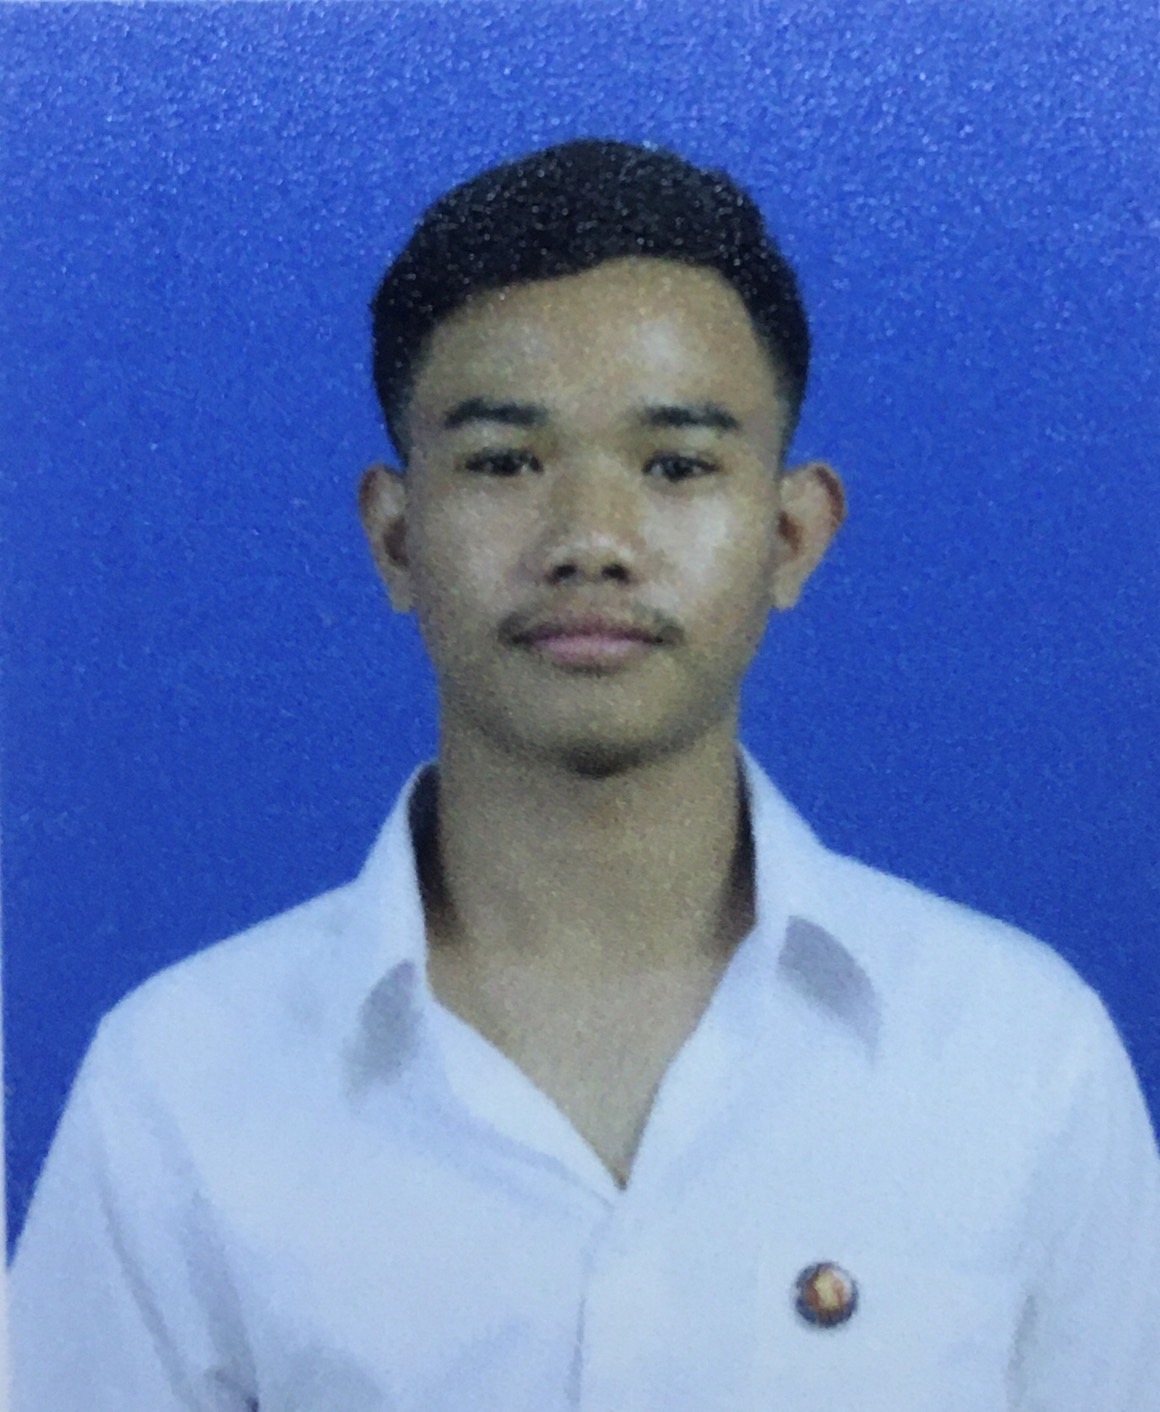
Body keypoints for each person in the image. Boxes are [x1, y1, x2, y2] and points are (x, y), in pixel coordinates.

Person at [9, 138, 1160, 1411]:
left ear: (791, 533)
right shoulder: (180, 1084)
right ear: (395, 536)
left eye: (676, 464)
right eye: (505, 460)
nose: (590, 541)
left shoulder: (1014, 1057)